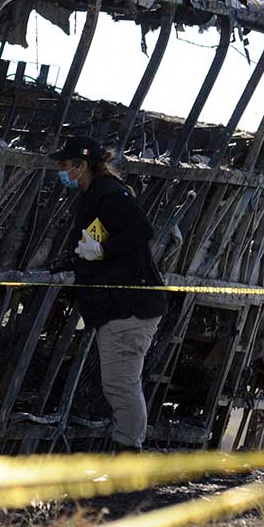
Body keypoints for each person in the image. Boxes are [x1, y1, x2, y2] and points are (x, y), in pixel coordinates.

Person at [49, 135, 168, 452]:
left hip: (129, 308)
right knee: (120, 383)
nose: (61, 172)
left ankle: (128, 456)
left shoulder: (109, 194)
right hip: (123, 307)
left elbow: (142, 231)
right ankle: (127, 452)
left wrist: (102, 252)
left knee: (121, 384)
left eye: (64, 165)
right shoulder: (98, 194)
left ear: (81, 166)